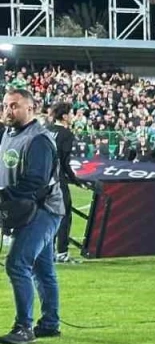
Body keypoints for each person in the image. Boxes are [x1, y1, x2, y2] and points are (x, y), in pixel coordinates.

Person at [0, 88, 61, 344]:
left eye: (14, 105)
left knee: (17, 263)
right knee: (42, 268)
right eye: (5, 105)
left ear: (30, 108)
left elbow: (36, 181)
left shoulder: (39, 140)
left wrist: (4, 195)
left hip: (44, 209)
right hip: (26, 209)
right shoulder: (8, 133)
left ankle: (24, 327)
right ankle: (49, 324)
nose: (8, 110)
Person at [46, 101, 87, 263]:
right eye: (70, 113)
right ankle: (62, 253)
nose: (72, 116)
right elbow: (64, 162)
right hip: (58, 180)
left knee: (48, 216)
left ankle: (47, 252)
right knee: (64, 215)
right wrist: (76, 180)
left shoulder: (47, 130)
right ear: (64, 116)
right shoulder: (66, 134)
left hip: (43, 180)